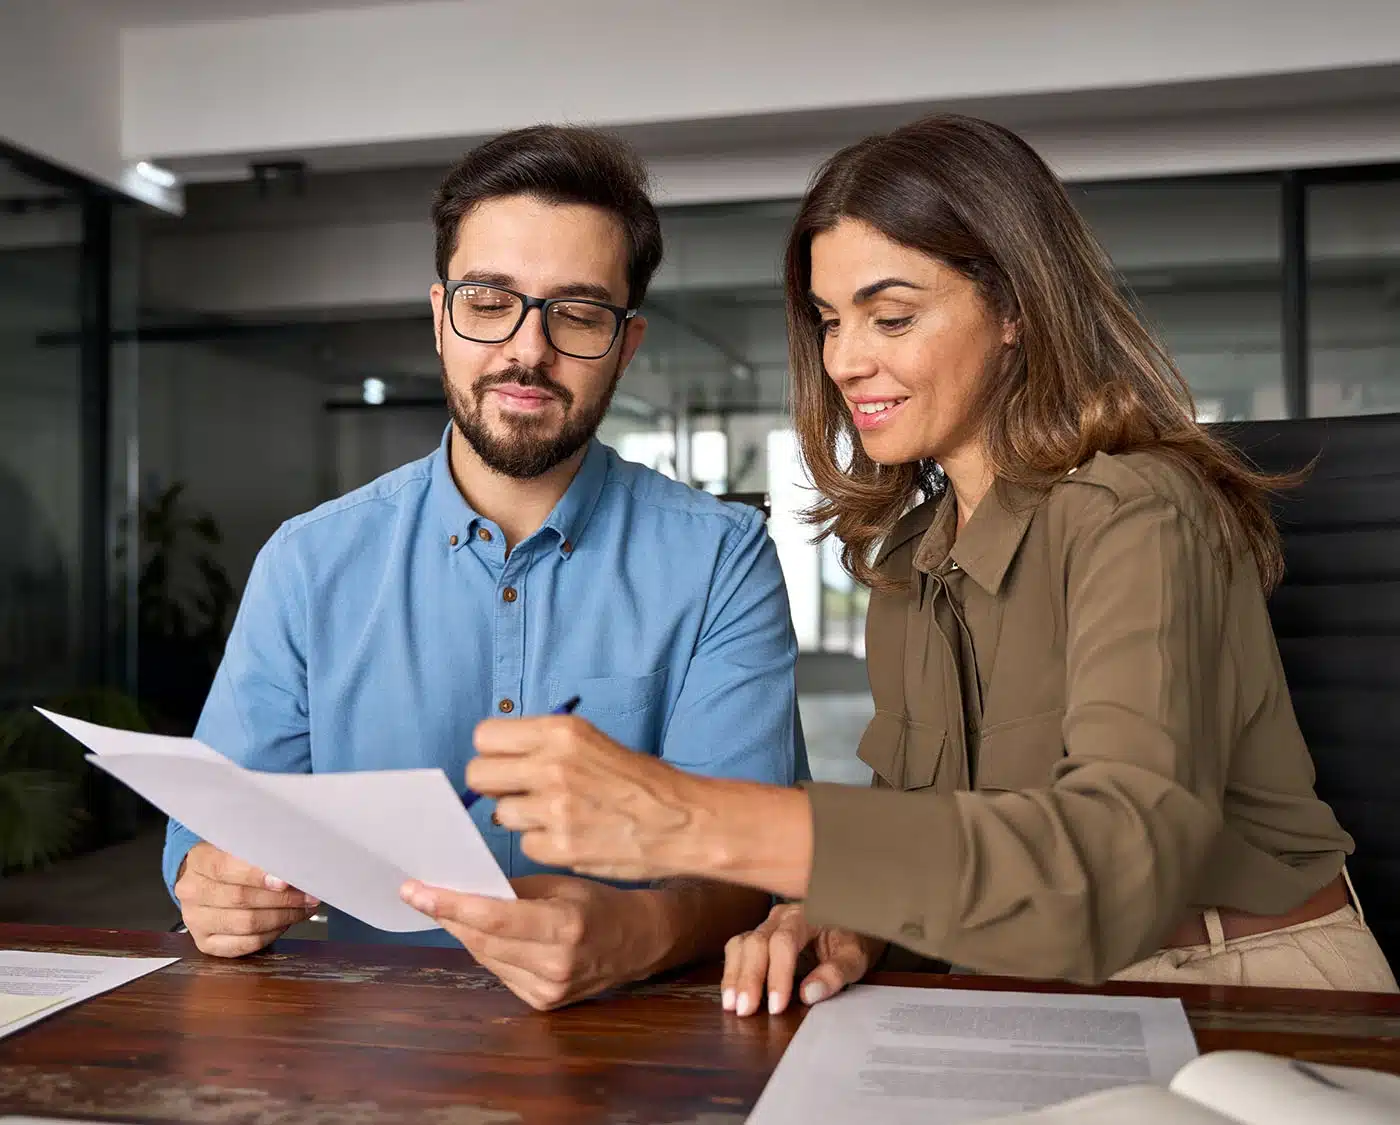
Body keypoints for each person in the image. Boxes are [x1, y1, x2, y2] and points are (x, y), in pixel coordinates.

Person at [450, 114, 1398, 1015]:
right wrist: (855, 918)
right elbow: (933, 829)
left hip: (1247, 984)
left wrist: (696, 819)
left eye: (890, 318)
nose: (845, 361)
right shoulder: (910, 560)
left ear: (1016, 309)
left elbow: (1113, 868)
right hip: (1029, 989)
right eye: (828, 321)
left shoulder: (1142, 510)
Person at [163, 125, 806, 1010]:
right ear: (440, 316)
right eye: (490, 299)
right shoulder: (309, 563)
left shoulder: (721, 560)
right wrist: (208, 881)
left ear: (626, 343)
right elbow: (208, 827)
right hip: (371, 1053)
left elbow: (752, 862)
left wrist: (636, 932)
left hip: (646, 1049)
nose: (528, 350)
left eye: (577, 313)